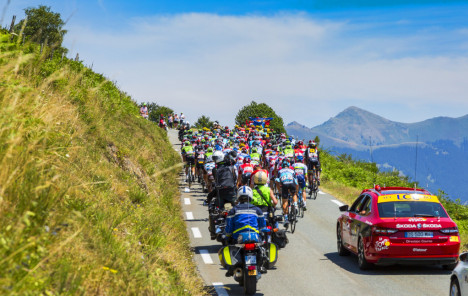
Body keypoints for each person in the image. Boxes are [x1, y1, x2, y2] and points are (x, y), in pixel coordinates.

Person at [224, 186, 267, 275]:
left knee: (230, 246)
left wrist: (227, 235)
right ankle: (261, 265)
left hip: (238, 238)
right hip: (254, 237)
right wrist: (262, 232)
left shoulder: (234, 210)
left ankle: (232, 267)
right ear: (250, 196)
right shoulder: (257, 210)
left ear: (238, 197)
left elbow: (229, 227)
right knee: (261, 248)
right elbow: (262, 226)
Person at [277, 159, 297, 228]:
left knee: (284, 201)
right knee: (294, 194)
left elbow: (277, 181)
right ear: (288, 165)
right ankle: (295, 205)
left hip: (284, 185)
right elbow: (295, 180)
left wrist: (279, 191)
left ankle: (285, 218)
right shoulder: (292, 170)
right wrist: (296, 190)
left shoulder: (280, 171)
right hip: (291, 183)